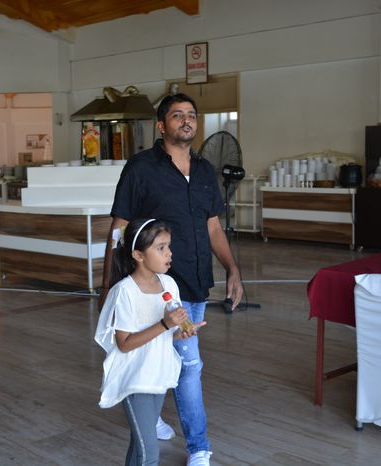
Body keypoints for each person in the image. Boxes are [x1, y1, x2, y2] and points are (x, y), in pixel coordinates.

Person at [100, 93, 244, 466]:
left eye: (191, 114)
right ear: (161, 125)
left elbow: (213, 227)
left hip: (193, 284)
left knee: (174, 359)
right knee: (183, 364)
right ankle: (199, 447)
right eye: (177, 115)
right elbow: (119, 229)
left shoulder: (205, 170)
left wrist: (232, 269)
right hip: (153, 288)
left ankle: (154, 419)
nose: (186, 120)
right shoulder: (141, 168)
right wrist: (109, 287)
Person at [95, 218, 205, 466]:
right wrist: (165, 324)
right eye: (161, 248)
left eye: (169, 246)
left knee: (139, 446)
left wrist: (180, 333)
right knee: (149, 454)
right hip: (135, 379)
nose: (169, 253)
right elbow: (124, 343)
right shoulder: (125, 292)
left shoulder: (169, 284)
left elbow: (164, 337)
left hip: (158, 374)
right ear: (138, 255)